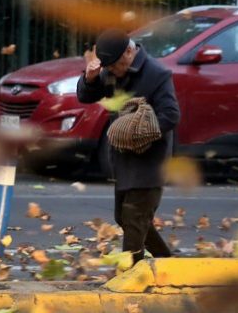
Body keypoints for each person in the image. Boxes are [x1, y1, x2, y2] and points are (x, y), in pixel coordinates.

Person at [76, 28, 180, 264]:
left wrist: (141, 129)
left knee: (134, 218)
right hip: (123, 159)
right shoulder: (113, 70)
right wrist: (90, 79)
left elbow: (171, 115)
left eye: (114, 65)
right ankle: (168, 262)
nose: (111, 71)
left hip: (150, 160)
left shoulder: (158, 74)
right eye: (108, 67)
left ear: (129, 52)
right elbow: (85, 96)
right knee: (125, 217)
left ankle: (131, 274)